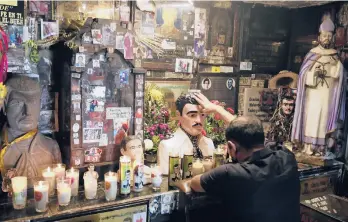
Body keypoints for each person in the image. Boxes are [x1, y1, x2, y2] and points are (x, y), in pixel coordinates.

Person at [189, 92, 300, 222]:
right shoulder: (286, 156)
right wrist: (217, 109)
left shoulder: (231, 173)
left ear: (231, 147)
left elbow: (195, 183)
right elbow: (250, 131)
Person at [157, 93, 215, 175]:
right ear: (178, 115)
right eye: (192, 115)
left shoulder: (209, 143)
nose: (199, 120)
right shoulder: (167, 146)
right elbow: (166, 182)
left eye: (202, 115)